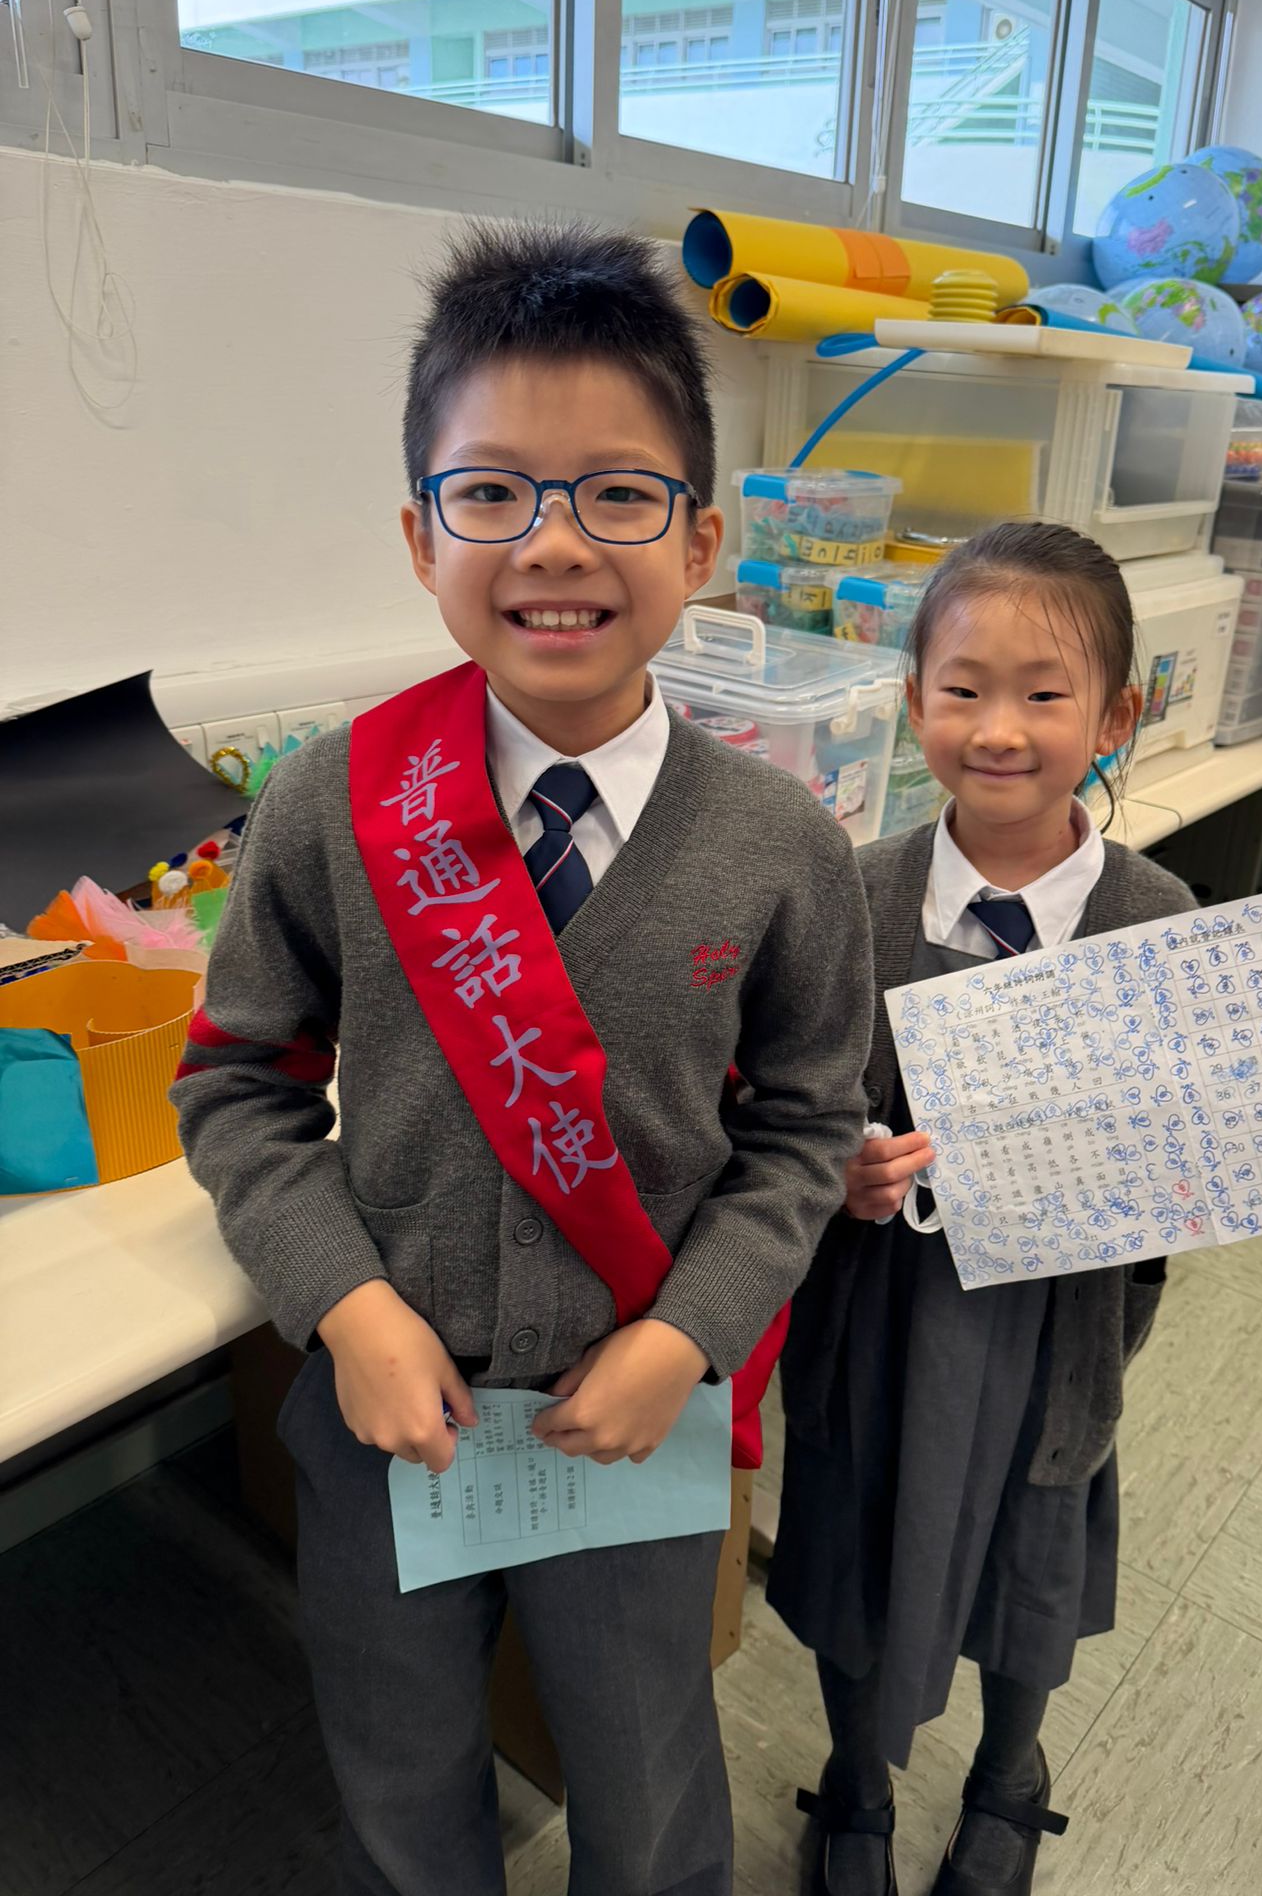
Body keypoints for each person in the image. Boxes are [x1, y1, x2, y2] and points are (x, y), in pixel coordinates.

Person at [172, 222, 875, 1896]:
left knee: (649, 1786)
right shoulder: (335, 801)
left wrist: (687, 1339)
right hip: (385, 1412)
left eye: (618, 493)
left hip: (631, 1412)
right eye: (491, 492)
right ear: (422, 536)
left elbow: (805, 1132)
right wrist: (345, 1310)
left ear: (700, 538)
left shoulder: (782, 847)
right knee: (402, 1775)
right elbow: (234, 1084)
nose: (555, 542)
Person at [767, 520, 1262, 1896]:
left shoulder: (1157, 915)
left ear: (1116, 716)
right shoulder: (854, 894)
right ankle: (854, 1781)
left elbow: (1234, 1105)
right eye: (964, 689)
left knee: (1030, 1565)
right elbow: (794, 1093)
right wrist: (840, 1166)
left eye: (1045, 692)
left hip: (1055, 1328)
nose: (999, 728)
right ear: (912, 701)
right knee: (855, 1554)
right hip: (880, 1320)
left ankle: (1009, 1774)